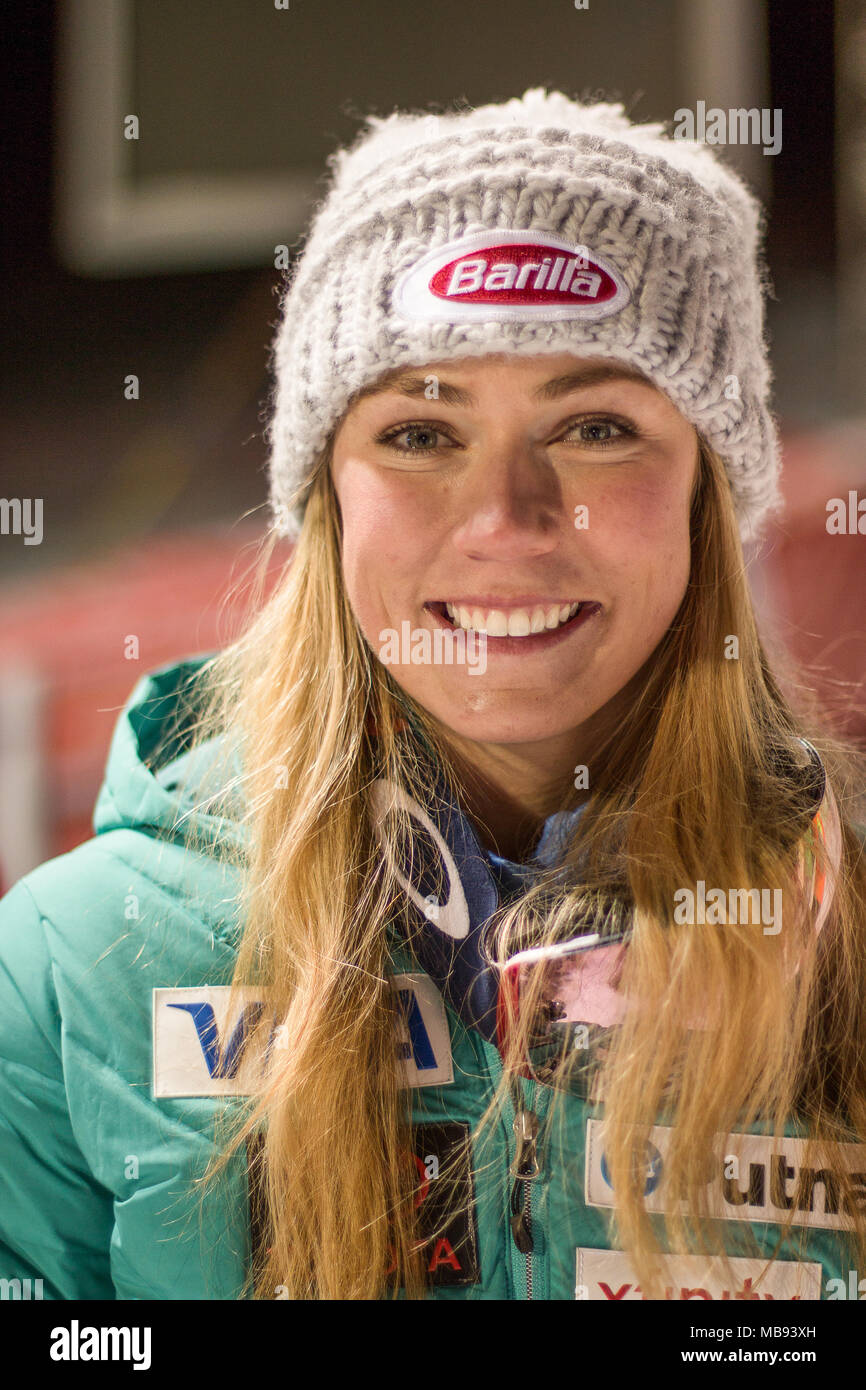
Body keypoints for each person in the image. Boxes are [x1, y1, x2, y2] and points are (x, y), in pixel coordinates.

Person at [1, 88, 865, 1303]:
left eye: (597, 426)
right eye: (419, 431)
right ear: (325, 493)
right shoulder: (70, 963)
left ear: (707, 498)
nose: (505, 520)